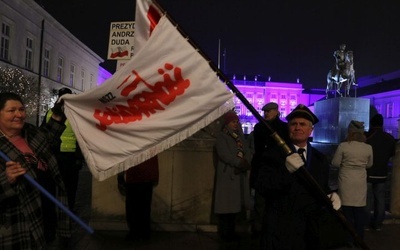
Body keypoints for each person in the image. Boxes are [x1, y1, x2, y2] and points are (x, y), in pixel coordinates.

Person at [255, 104, 341, 250]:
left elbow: (321, 186)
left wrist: (331, 195)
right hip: (282, 229)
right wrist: (285, 171)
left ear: (310, 130)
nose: (297, 128)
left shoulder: (320, 159)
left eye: (302, 124)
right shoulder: (273, 155)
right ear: (288, 127)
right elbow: (263, 186)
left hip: (310, 230)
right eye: (293, 124)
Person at [0, 92, 71, 249]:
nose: (19, 114)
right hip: (18, 224)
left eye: (21, 109)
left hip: (47, 214)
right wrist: (6, 179)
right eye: (11, 111)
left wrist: (58, 115)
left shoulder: (30, 132)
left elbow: (49, 137)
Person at [249, 102, 289, 238]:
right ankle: (259, 229)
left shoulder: (282, 128)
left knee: (272, 203)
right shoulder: (260, 127)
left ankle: (269, 229)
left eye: (269, 111)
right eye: (265, 111)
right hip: (262, 168)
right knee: (260, 203)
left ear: (276, 111)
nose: (266, 113)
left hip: (275, 168)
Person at [331, 120, 373, 245]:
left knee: (347, 212)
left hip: (346, 180)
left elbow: (335, 163)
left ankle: (348, 239)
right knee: (359, 211)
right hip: (360, 181)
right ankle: (359, 238)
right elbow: (370, 165)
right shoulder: (368, 147)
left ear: (350, 132)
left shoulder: (344, 146)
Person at [42, 87, 83, 211]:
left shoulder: (74, 113)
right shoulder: (52, 112)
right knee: (61, 187)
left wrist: (79, 157)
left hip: (70, 157)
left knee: (69, 188)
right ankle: (63, 211)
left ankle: (67, 210)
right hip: (58, 156)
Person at [213, 110, 252, 242]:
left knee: (235, 206)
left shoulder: (239, 136)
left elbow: (247, 150)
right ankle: (225, 232)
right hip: (228, 174)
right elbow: (224, 154)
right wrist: (239, 162)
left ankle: (231, 231)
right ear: (227, 123)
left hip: (239, 175)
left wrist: (247, 160)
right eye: (233, 122)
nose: (236, 124)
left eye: (236, 121)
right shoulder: (222, 136)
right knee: (226, 205)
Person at [365, 114, 396, 231]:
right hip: (382, 172)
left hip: (368, 172)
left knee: (367, 199)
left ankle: (367, 223)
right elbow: (392, 154)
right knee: (380, 198)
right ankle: (378, 223)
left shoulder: (367, 137)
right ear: (382, 123)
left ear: (371, 123)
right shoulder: (389, 138)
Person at [124, 155, 159, 241]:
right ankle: (143, 232)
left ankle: (135, 231)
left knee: (133, 207)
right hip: (145, 176)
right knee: (144, 207)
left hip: (134, 175)